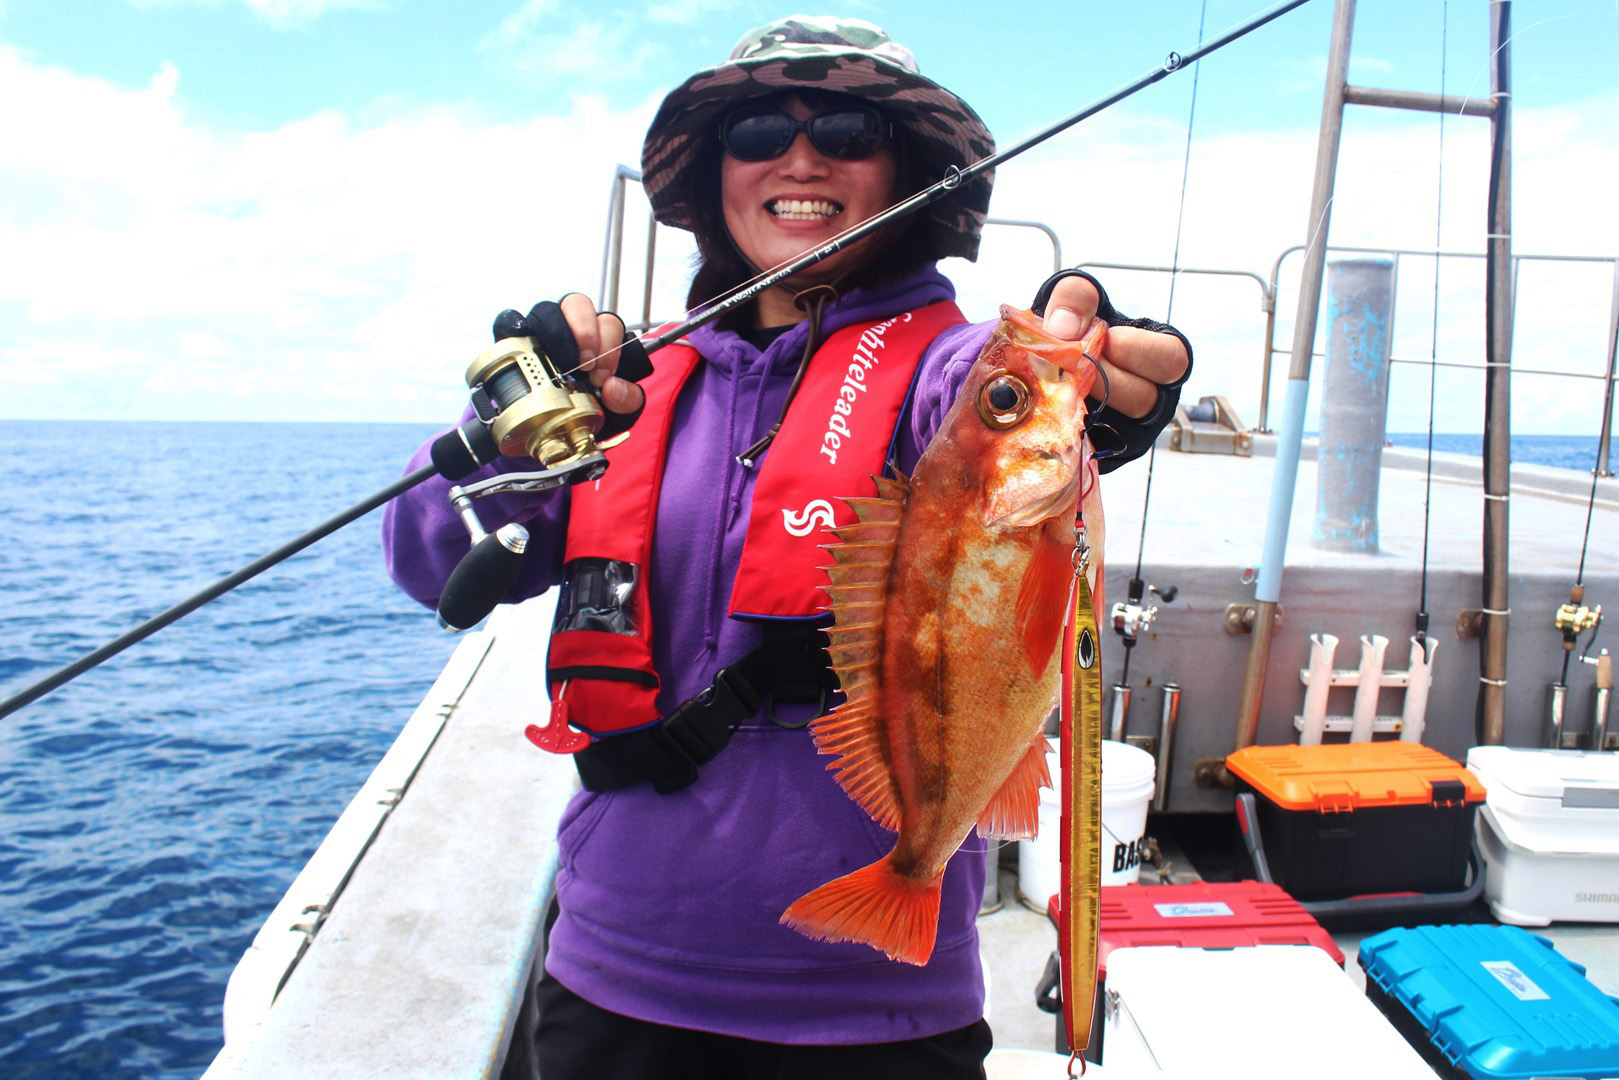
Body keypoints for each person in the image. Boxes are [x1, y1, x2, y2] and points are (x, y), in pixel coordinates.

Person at [383, 14, 1190, 1079]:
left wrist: (1098, 406)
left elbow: (986, 429)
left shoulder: (945, 370)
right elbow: (422, 556)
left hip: (882, 1011)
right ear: (714, 172)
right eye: (758, 127)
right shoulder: (627, 386)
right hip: (613, 970)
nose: (800, 158)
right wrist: (518, 432)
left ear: (907, 174)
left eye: (850, 129)